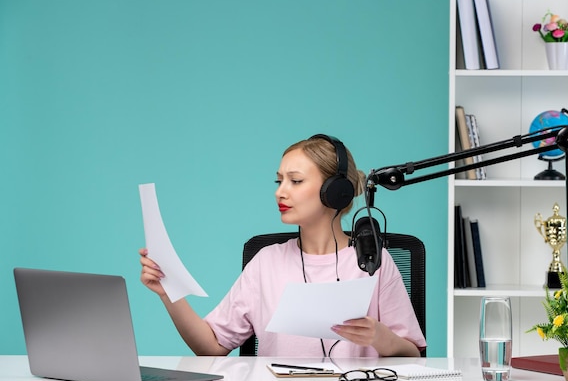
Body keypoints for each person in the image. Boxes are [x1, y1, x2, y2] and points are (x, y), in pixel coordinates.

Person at [139, 134, 426, 357]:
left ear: (336, 192)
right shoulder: (266, 262)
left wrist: (380, 337)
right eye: (279, 181)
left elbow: (414, 354)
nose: (280, 191)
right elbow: (211, 346)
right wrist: (168, 292)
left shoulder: (374, 261)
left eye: (295, 181)